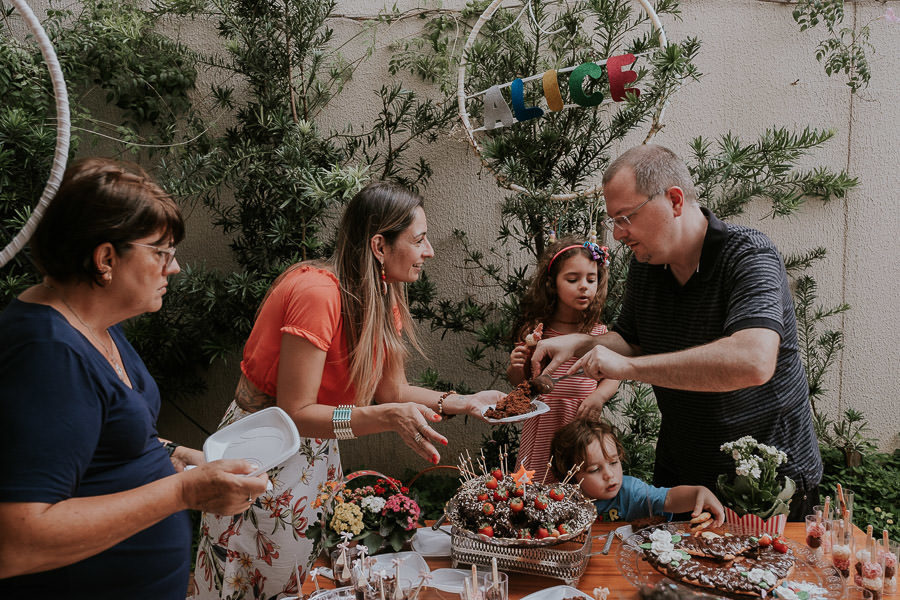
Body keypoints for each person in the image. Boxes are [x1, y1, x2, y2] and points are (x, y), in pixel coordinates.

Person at [193, 181, 505, 599]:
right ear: (380, 245)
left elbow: (391, 390)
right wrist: (384, 419)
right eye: (419, 240)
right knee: (247, 583)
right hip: (263, 451)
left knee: (299, 581)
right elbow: (296, 412)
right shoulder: (317, 293)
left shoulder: (381, 296)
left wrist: (462, 402)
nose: (428, 251)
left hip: (317, 454)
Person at [0, 158, 268, 599]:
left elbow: (99, 439)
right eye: (162, 252)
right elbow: (17, 540)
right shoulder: (47, 354)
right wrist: (183, 492)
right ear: (106, 258)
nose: (174, 268)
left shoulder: (91, 324)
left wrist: (174, 454)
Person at [532, 144, 822, 521]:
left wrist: (627, 369)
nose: (618, 234)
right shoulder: (647, 265)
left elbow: (753, 361)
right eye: (613, 221)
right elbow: (633, 341)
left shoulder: (750, 256)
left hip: (763, 485)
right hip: (684, 476)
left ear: (674, 200)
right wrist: (581, 342)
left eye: (626, 217)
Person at [507, 235, 620, 483]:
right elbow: (523, 386)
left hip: (581, 418)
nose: (584, 286)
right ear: (552, 284)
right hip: (543, 419)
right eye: (572, 279)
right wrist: (516, 367)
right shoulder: (537, 332)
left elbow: (614, 375)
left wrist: (598, 397)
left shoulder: (599, 334)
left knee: (580, 480)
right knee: (536, 483)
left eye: (592, 280)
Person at [550, 415, 724, 523]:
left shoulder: (631, 491)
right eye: (595, 469)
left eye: (614, 462)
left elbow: (669, 499)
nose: (609, 475)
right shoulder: (561, 500)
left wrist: (698, 493)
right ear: (571, 475)